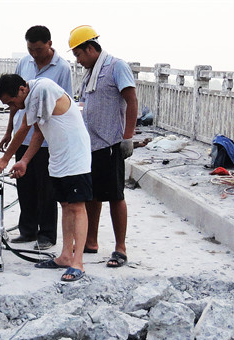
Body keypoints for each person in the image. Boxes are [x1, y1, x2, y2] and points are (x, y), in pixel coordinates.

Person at [0, 75, 92, 282]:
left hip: (75, 156)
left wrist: (5, 159)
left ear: (21, 89)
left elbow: (25, 128)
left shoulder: (42, 89)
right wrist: (24, 162)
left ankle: (78, 262)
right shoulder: (33, 96)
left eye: (12, 102)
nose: (14, 107)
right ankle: (65, 256)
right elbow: (39, 132)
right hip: (58, 157)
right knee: (65, 205)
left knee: (77, 207)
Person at [0, 25, 72, 250]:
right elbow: (15, 103)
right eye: (30, 49)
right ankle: (27, 230)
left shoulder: (62, 68)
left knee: (46, 188)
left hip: (47, 138)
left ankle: (46, 234)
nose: (34, 54)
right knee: (25, 184)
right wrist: (9, 130)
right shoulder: (24, 63)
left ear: (49, 44)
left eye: (38, 49)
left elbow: (64, 103)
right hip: (23, 136)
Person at [70, 25, 137, 268]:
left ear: (90, 48)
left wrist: (128, 136)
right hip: (90, 144)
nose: (78, 60)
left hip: (110, 143)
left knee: (115, 195)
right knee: (92, 195)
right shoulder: (90, 72)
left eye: (78, 54)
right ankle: (91, 241)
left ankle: (120, 248)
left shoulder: (116, 66)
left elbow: (131, 100)